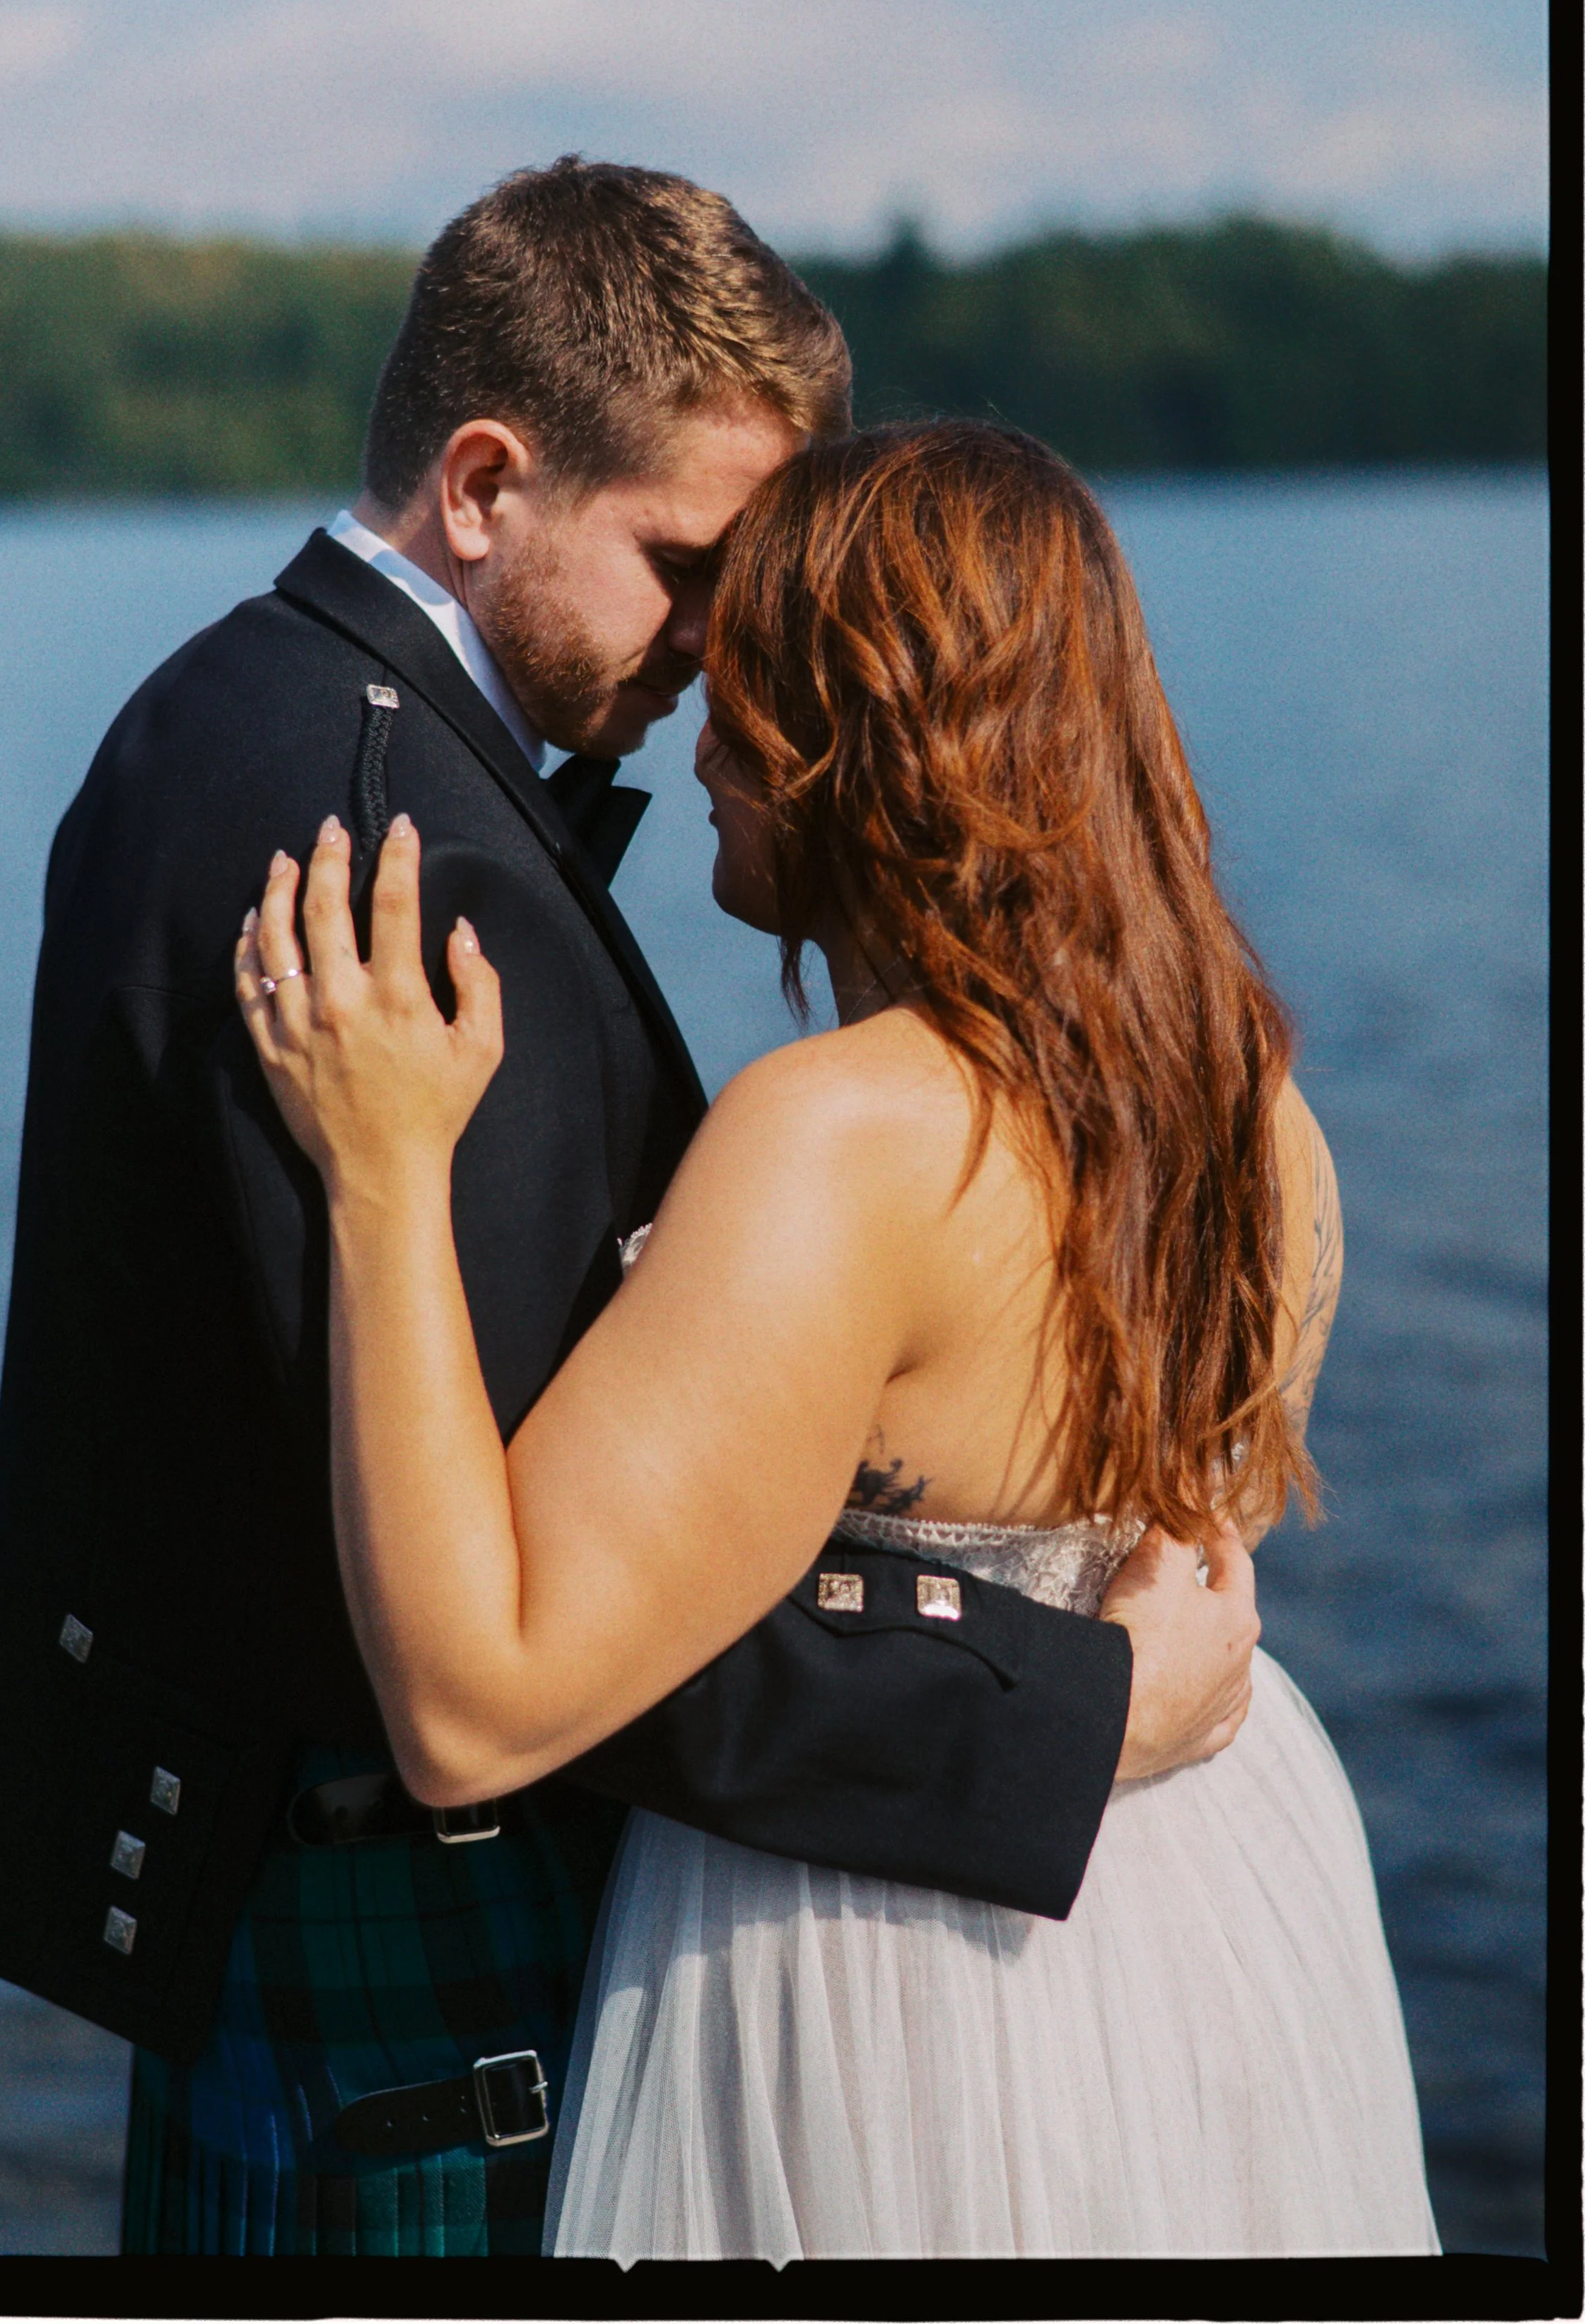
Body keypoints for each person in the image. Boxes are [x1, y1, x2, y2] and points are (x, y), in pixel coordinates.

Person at [0, 162, 1257, 2260]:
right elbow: (540, 1612)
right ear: (487, 481)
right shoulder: (404, 846)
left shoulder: (221, 715)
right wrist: (1069, 1719)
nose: (726, 650)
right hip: (421, 1947)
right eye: (687, 565)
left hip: (291, 1904)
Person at [233, 417, 1441, 2263]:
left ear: (856, 741)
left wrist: (386, 1173)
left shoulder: (840, 1138)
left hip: (902, 1982)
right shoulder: (1249, 1100)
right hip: (1219, 1896)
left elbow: (475, 1708)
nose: (702, 750)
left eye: (747, 693)